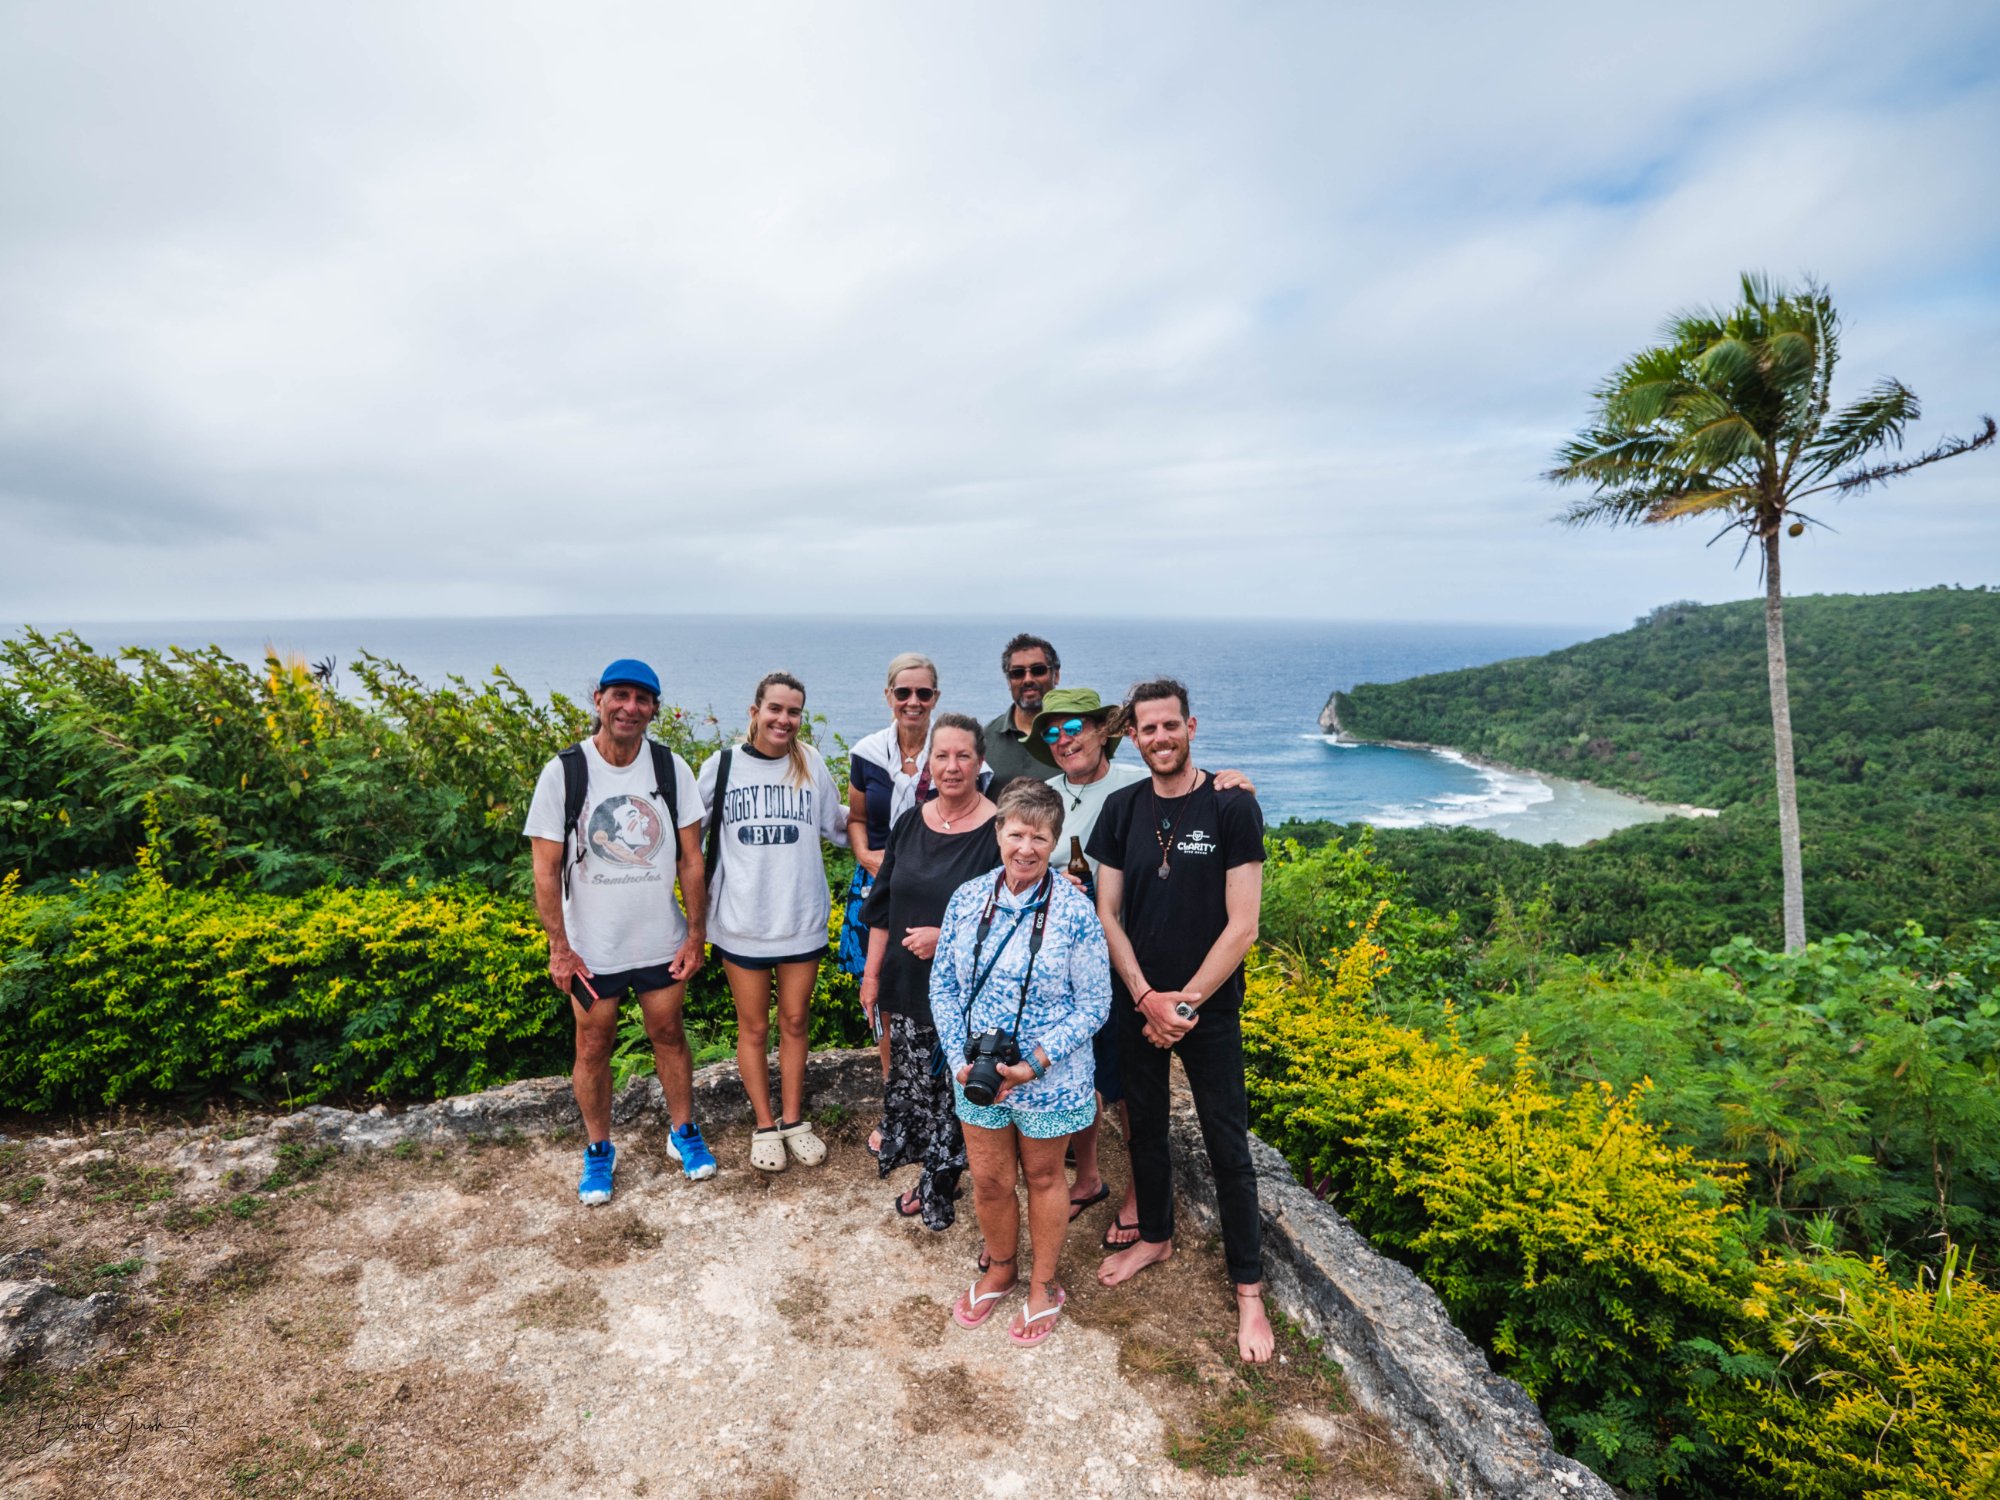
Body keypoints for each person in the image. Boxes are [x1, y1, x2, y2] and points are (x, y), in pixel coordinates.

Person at [1088, 678, 1274, 1363]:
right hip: (1138, 1003)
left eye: (1171, 726)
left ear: (1191, 726)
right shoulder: (1121, 808)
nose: (1160, 738)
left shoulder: (1232, 806)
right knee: (1146, 1131)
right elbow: (1109, 912)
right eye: (1148, 729)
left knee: (1229, 1146)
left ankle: (1248, 1291)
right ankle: (1155, 1236)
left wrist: (1185, 1004)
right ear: (1131, 736)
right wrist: (1145, 998)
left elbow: (1244, 925)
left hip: (1210, 1009)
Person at [524, 658, 713, 1203]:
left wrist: (694, 933)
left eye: (642, 699)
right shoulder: (565, 772)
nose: (630, 707)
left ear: (654, 708)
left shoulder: (670, 767)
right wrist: (559, 948)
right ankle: (599, 1149)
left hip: (660, 938)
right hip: (592, 948)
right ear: (599, 699)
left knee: (669, 1034)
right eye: (620, 696)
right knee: (592, 1047)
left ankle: (683, 1133)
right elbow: (544, 867)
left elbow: (691, 859)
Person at [930, 779, 1109, 1346]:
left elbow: (1096, 1003)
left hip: (1049, 1080)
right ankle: (1002, 1268)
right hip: (977, 1073)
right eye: (1016, 833)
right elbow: (944, 986)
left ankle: (1044, 1285)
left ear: (1054, 840)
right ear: (997, 832)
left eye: (1039, 836)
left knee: (1044, 1176)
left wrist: (1034, 1062)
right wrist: (961, 1057)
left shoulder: (1076, 912)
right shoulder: (968, 898)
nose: (1026, 847)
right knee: (988, 1179)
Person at [698, 671, 851, 1173]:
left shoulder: (811, 763)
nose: (784, 719)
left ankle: (792, 1119)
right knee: (754, 1026)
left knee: (795, 1021)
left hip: (800, 919)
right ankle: (763, 1125)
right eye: (775, 709)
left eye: (794, 712)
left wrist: (912, 825)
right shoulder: (720, 768)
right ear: (755, 711)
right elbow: (684, 837)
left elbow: (837, 826)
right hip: (741, 920)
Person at [857, 713, 1000, 1229]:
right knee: (921, 1090)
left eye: (964, 755)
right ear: (928, 763)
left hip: (971, 993)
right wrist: (872, 978)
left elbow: (1008, 915)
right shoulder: (911, 822)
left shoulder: (998, 829)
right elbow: (882, 906)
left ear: (980, 762)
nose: (952, 766)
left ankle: (943, 1185)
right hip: (909, 984)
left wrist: (947, 936)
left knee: (961, 1093)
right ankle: (932, 1176)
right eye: (942, 755)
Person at [844, 653, 943, 1152]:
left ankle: (939, 1110)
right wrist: (866, 857)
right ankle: (897, 1107)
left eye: (923, 693)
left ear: (936, 699)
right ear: (888, 696)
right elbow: (857, 819)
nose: (913, 702)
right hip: (878, 887)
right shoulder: (866, 753)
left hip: (935, 897)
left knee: (935, 1004)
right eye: (903, 693)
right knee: (884, 1002)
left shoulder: (953, 755)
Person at [980, 633, 1061, 798]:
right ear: (1008, 681)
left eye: (1038, 670)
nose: (1028, 679)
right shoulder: (984, 739)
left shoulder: (1072, 737)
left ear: (1056, 675)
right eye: (1017, 673)